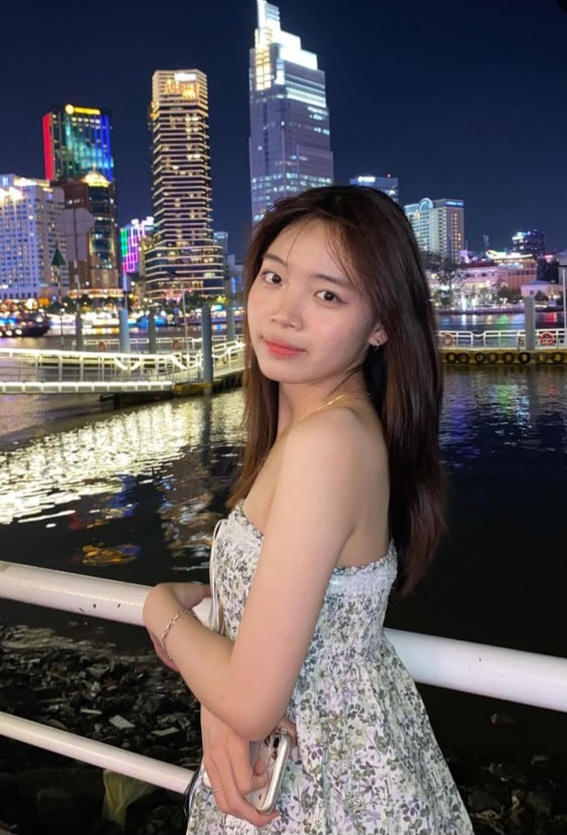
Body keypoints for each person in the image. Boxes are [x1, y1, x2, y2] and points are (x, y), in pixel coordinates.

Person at [143, 185, 474, 834]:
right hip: (322, 762)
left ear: (380, 324)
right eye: (273, 277)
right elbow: (268, 611)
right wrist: (213, 667)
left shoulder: (327, 445)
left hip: (315, 786)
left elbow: (250, 701)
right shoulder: (318, 429)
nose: (283, 313)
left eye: (327, 295)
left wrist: (159, 608)